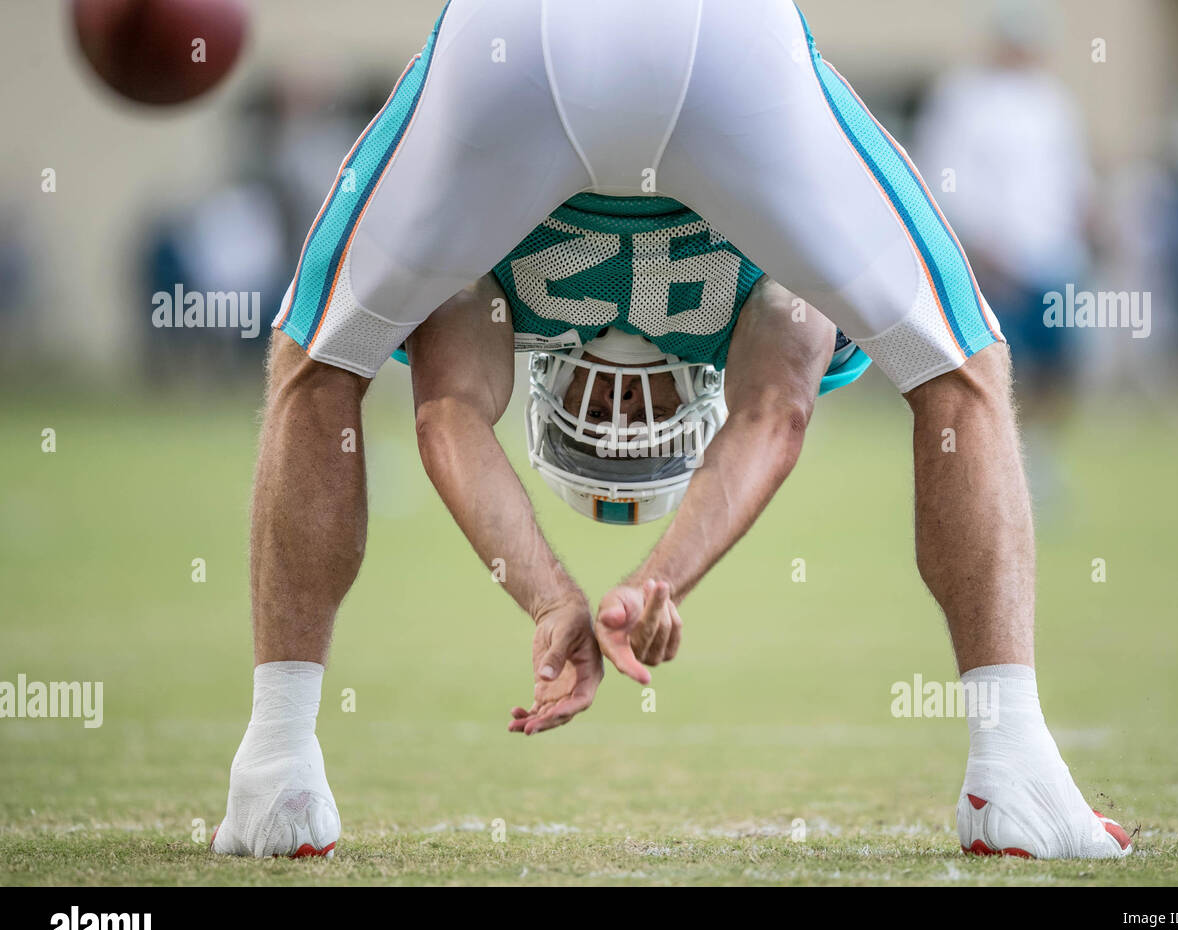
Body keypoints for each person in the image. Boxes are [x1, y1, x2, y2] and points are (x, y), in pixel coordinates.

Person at [212, 0, 1131, 861]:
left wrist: (556, 599)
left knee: (319, 363)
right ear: (696, 411)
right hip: (702, 48)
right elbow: (773, 411)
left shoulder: (490, 304)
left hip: (535, 45)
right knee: (960, 366)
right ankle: (1009, 762)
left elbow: (452, 413)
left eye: (602, 416)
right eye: (639, 420)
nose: (622, 403)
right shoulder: (766, 308)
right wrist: (648, 584)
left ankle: (279, 763)